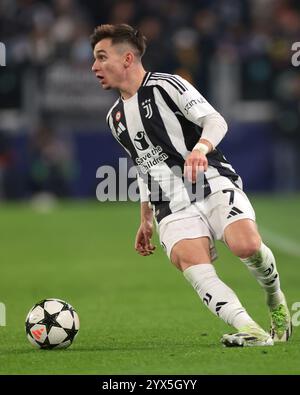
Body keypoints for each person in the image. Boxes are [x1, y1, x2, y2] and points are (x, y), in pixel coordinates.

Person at [90, 23, 291, 347]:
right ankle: (250, 330)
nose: (94, 67)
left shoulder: (167, 85)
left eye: (101, 57)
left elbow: (215, 120)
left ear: (127, 58)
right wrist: (145, 217)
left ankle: (274, 298)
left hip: (208, 179)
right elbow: (144, 165)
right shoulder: (115, 118)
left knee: (247, 246)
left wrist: (200, 149)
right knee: (189, 259)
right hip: (168, 201)